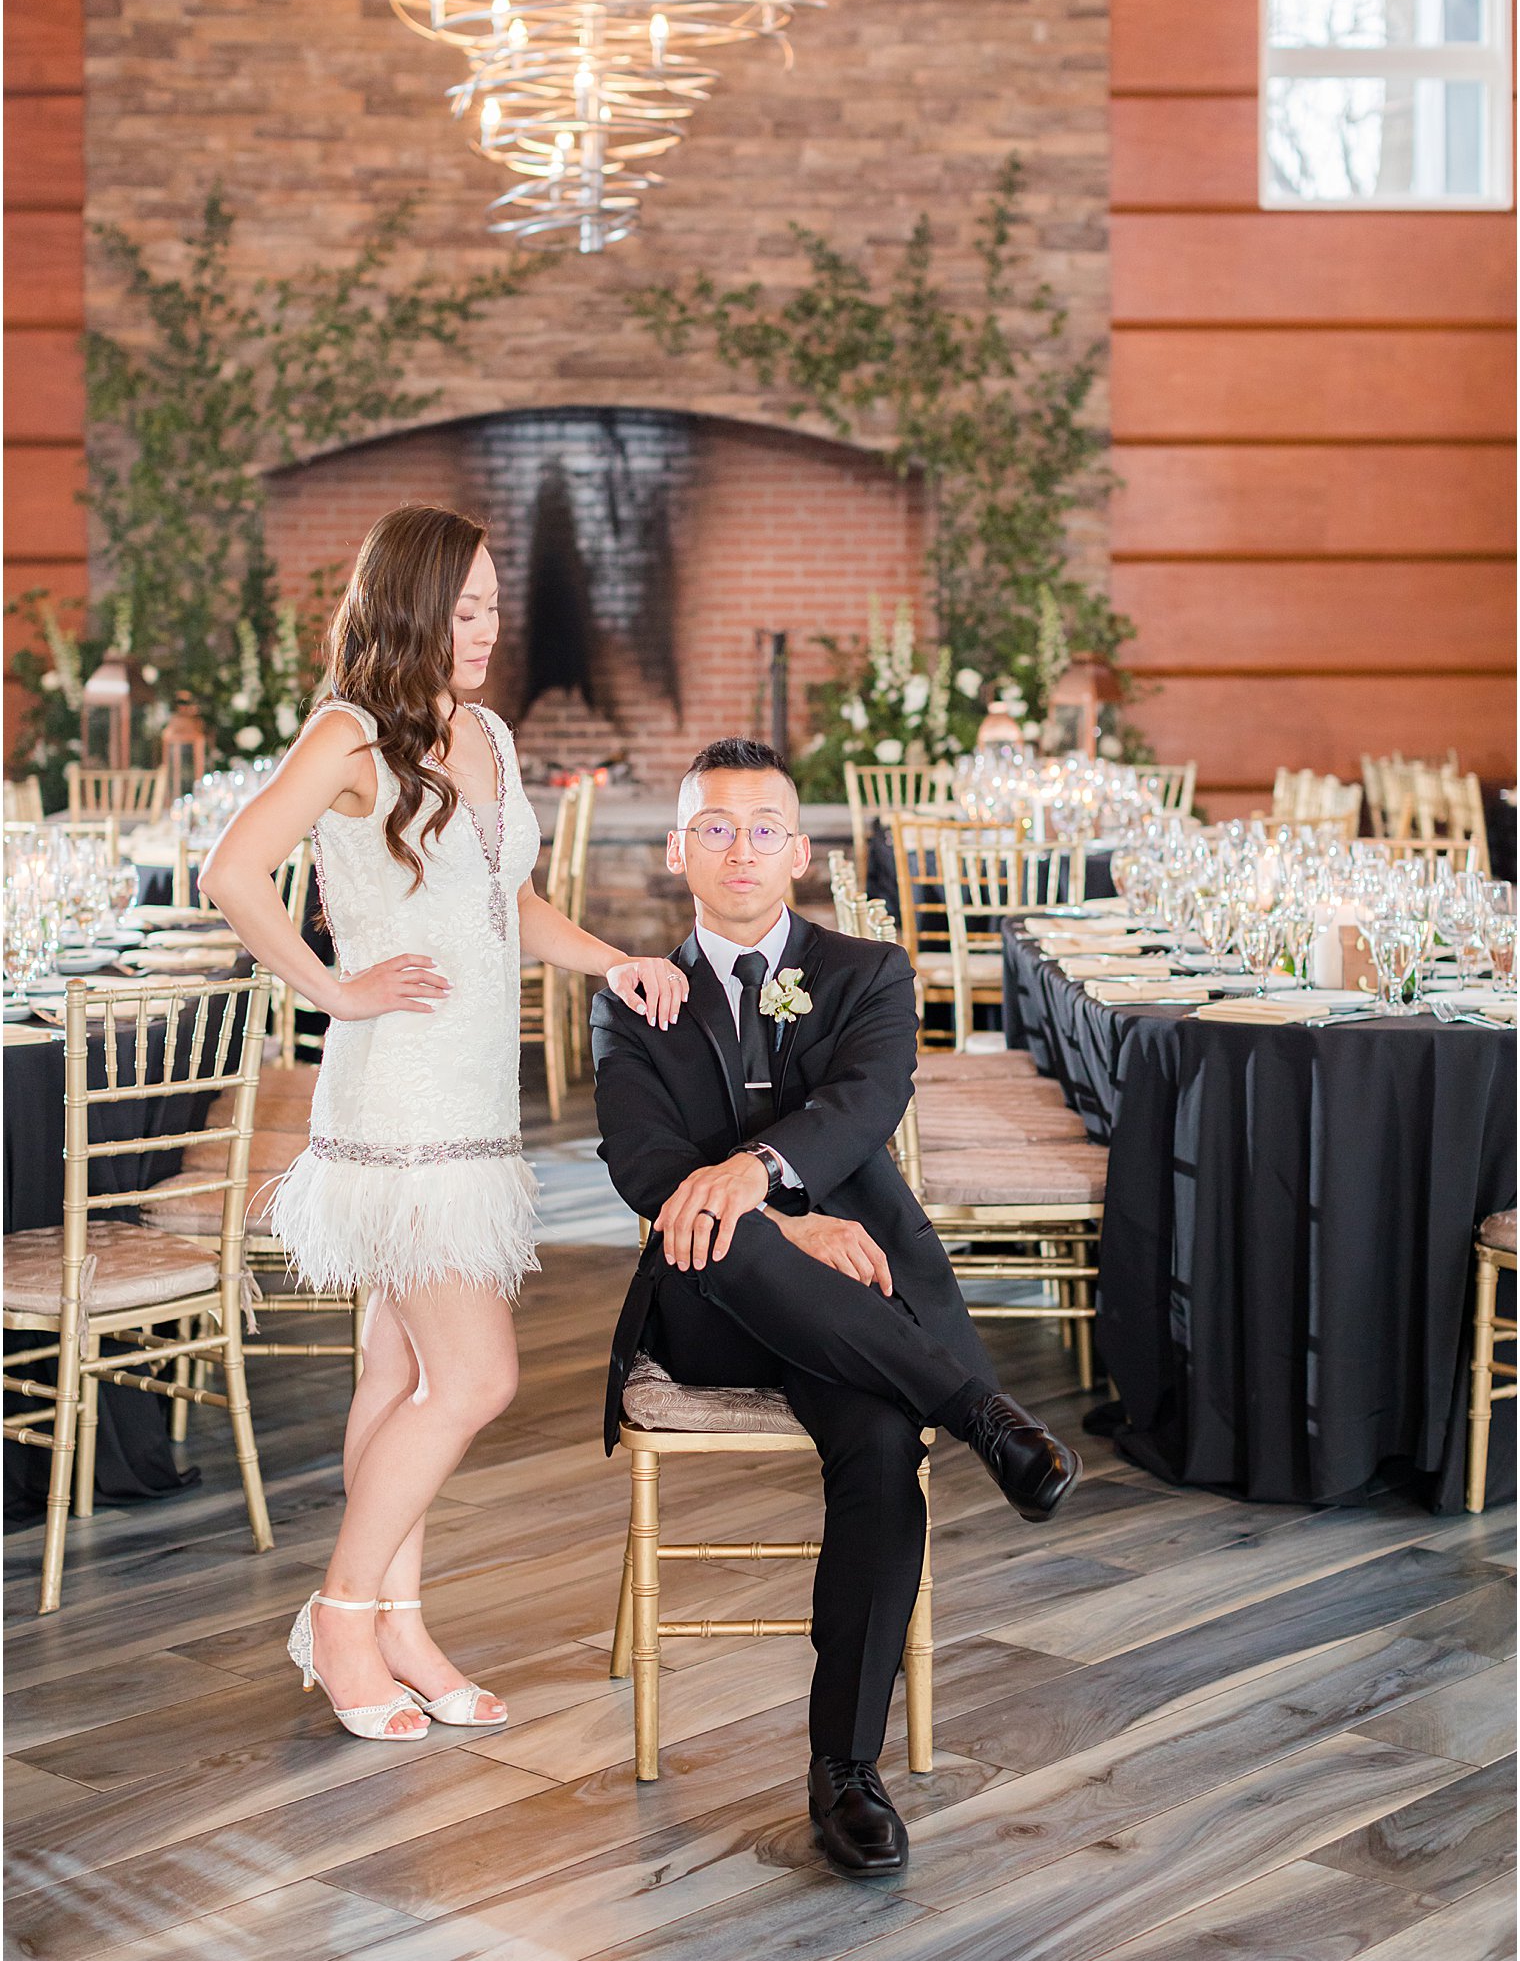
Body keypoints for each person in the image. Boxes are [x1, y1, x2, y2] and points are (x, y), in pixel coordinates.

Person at [201, 505, 687, 1743]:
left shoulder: (486, 733)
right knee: (476, 1375)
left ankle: (400, 1622)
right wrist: (331, 987)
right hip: (394, 1098)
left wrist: (610, 962)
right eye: (462, 607)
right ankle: (341, 1613)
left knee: (403, 1369)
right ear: (410, 610)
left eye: (491, 604)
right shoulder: (348, 735)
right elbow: (232, 870)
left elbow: (502, 898)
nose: (485, 628)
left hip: (474, 1101)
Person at [591, 737, 1080, 1875]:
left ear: (799, 852)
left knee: (870, 1441)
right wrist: (777, 1213)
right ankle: (980, 1413)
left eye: (764, 827)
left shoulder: (867, 971)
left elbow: (863, 1105)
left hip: (858, 1301)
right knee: (705, 1230)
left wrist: (755, 1175)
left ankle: (842, 1771)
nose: (740, 849)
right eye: (714, 826)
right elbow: (642, 1162)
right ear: (677, 851)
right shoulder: (635, 1001)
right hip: (714, 1302)